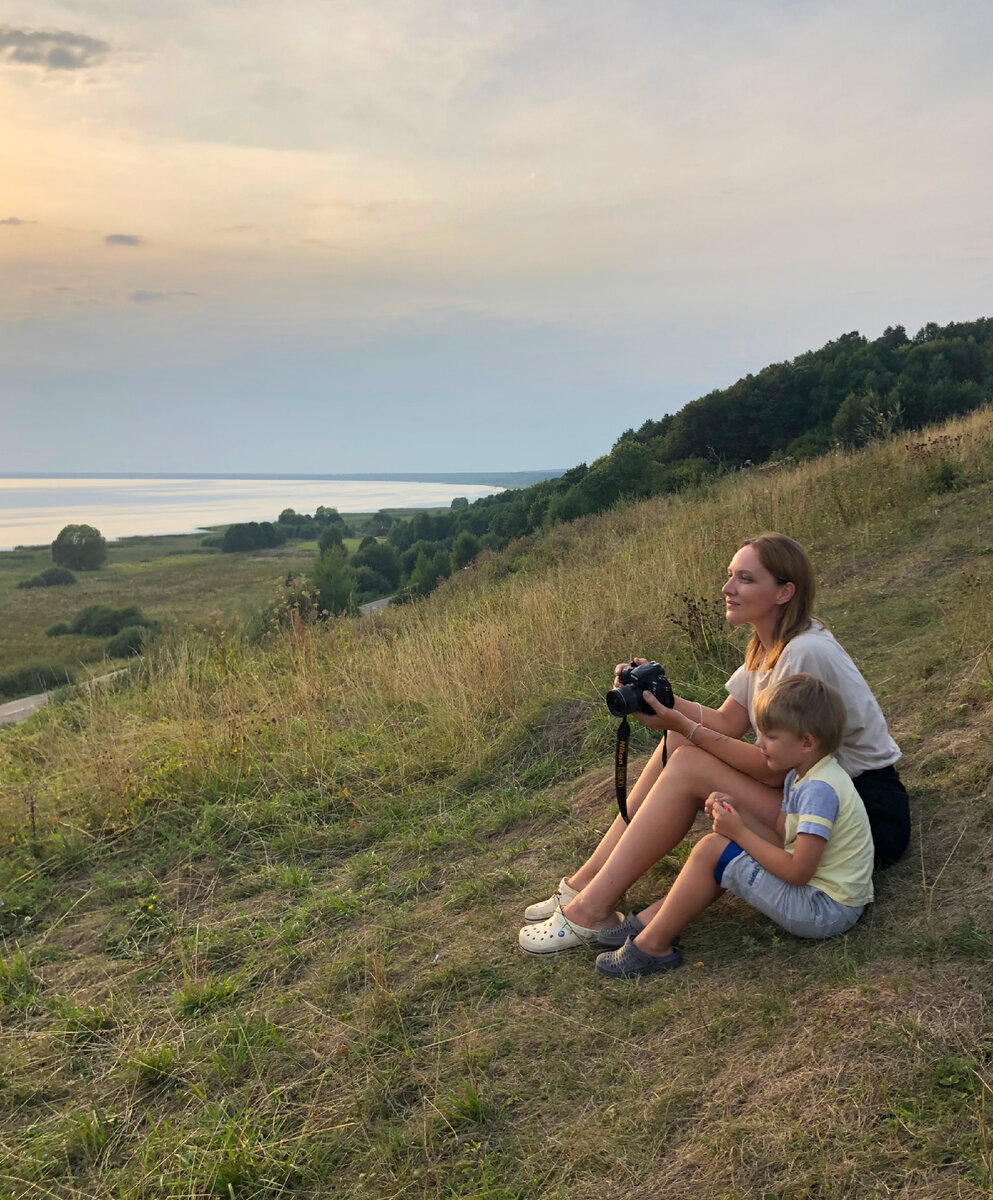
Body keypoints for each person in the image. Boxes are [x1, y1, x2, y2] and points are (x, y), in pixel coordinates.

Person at [517, 532, 909, 956]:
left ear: (784, 591)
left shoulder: (803, 652)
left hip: (860, 811)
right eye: (729, 576)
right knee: (675, 741)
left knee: (688, 762)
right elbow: (726, 720)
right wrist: (656, 698)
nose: (727, 589)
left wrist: (684, 725)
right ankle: (583, 885)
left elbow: (770, 765)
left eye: (744, 579)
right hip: (807, 793)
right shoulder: (769, 644)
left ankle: (590, 910)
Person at [594, 673, 874, 977]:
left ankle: (652, 946)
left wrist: (738, 831)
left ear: (806, 742)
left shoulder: (819, 790)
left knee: (713, 849)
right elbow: (783, 832)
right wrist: (738, 813)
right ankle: (661, 921)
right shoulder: (803, 774)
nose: (759, 743)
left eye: (771, 737)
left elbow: (798, 872)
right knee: (722, 847)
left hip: (825, 910)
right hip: (822, 894)